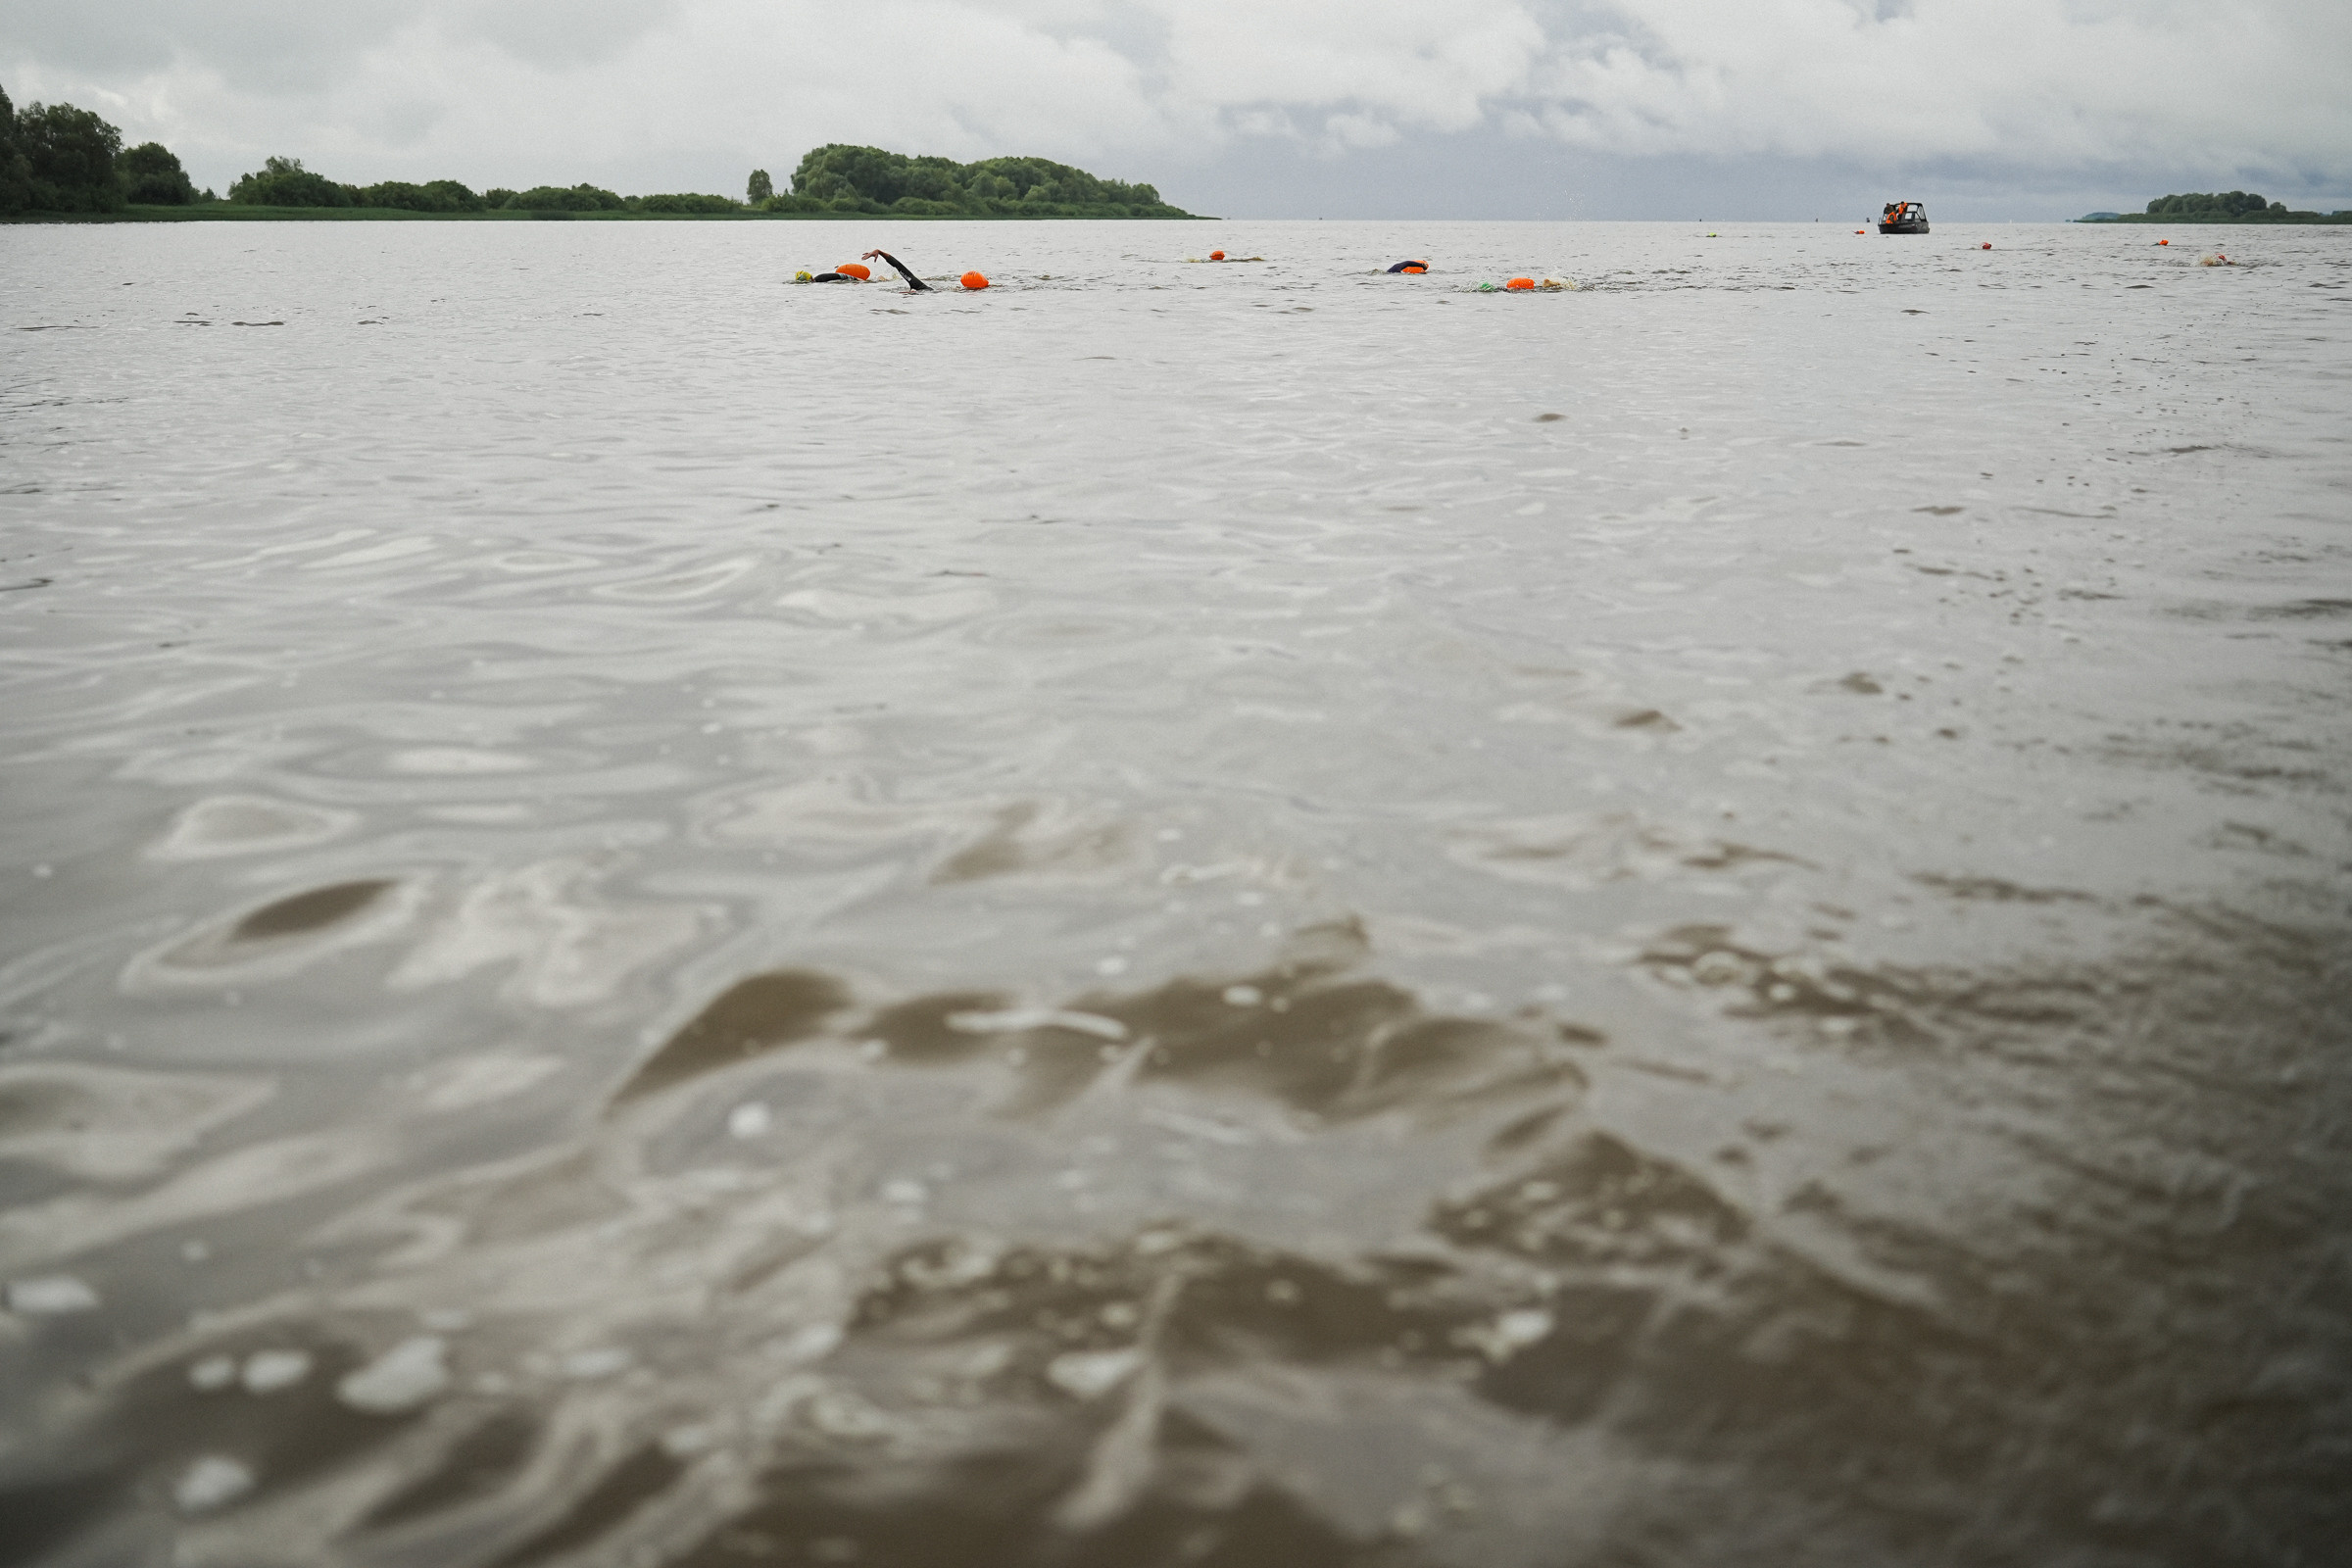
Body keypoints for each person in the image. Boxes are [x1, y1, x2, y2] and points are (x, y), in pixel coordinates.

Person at [862, 250, 932, 291]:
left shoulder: (921, 288)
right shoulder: (921, 288)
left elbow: (899, 266)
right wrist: (879, 252)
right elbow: (899, 266)